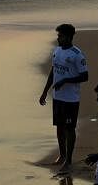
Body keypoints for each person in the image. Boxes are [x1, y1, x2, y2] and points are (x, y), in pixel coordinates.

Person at [38, 23, 89, 174]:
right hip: (57, 97)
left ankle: (69, 160)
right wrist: (45, 91)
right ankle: (62, 155)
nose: (58, 38)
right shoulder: (57, 50)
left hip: (71, 99)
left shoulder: (77, 54)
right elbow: (53, 71)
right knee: (59, 127)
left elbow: (85, 76)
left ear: (68, 36)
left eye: (60, 36)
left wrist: (65, 81)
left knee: (69, 128)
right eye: (58, 36)